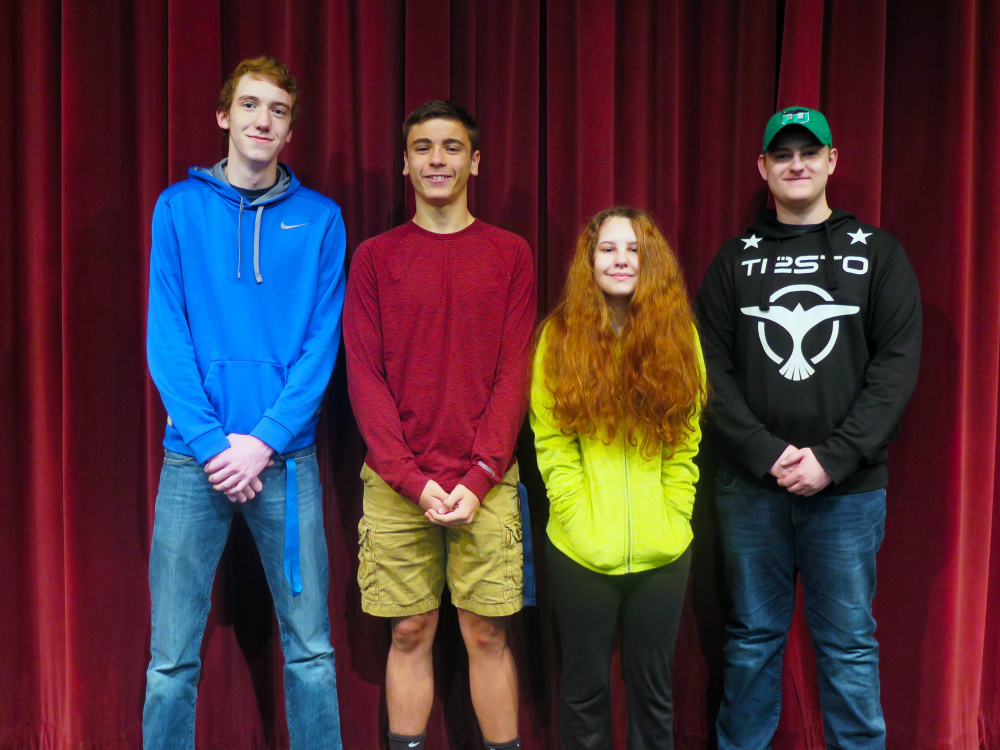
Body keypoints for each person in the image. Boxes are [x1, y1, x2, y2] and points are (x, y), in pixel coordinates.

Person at [694, 106, 922, 749]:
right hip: (749, 489)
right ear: (763, 168)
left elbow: (896, 370)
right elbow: (707, 368)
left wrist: (834, 458)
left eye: (808, 152)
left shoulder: (877, 253)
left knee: (849, 646)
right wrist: (767, 453)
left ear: (831, 161)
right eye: (782, 155)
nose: (796, 164)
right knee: (751, 642)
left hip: (847, 493)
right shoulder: (734, 260)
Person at [143, 56, 345, 749]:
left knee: (312, 653)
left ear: (290, 130)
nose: (264, 120)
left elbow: (323, 344)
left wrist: (263, 439)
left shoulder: (321, 220)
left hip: (283, 462)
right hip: (191, 462)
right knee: (170, 660)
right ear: (225, 117)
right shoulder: (177, 208)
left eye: (279, 111)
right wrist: (211, 442)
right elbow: (167, 337)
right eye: (252, 106)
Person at [344, 101, 535, 750]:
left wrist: (481, 475)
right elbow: (364, 376)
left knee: (486, 633)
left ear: (474, 162)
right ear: (404, 162)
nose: (436, 160)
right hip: (400, 483)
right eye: (423, 148)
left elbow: (515, 373)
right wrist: (409, 479)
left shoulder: (511, 254)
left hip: (485, 479)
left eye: (451, 148)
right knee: (409, 630)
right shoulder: (375, 257)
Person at [530, 207, 706, 750]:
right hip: (581, 548)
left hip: (664, 550)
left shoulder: (679, 336)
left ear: (650, 261)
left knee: (652, 693)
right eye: (607, 249)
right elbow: (551, 440)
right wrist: (576, 517)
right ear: (589, 261)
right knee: (583, 690)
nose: (621, 259)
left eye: (633, 249)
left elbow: (687, 438)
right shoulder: (558, 337)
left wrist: (674, 516)